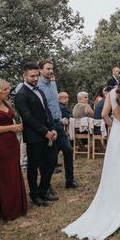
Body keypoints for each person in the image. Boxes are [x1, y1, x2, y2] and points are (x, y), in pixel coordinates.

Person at [63, 67, 120, 240]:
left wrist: (113, 125)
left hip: (117, 131)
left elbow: (103, 114)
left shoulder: (112, 93)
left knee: (116, 163)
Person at [14, 62, 58, 207]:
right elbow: (27, 117)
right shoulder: (21, 95)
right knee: (33, 167)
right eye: (32, 76)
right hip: (34, 136)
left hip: (48, 133)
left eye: (36, 75)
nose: (34, 78)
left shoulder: (40, 90)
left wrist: (52, 128)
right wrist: (44, 131)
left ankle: (44, 189)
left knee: (50, 162)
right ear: (24, 76)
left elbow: (47, 111)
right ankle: (35, 195)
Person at [0, 79, 27, 220]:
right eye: (5, 90)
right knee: (5, 176)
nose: (8, 92)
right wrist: (11, 128)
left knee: (14, 173)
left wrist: (17, 127)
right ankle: (8, 210)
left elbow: (10, 120)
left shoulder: (5, 103)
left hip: (12, 143)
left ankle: (18, 206)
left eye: (8, 89)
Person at [37, 60, 77, 189]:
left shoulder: (53, 83)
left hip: (58, 123)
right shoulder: (37, 85)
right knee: (49, 157)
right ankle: (46, 186)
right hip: (47, 125)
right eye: (48, 68)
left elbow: (55, 104)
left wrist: (60, 118)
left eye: (51, 68)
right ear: (40, 70)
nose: (51, 71)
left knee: (68, 150)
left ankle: (69, 181)